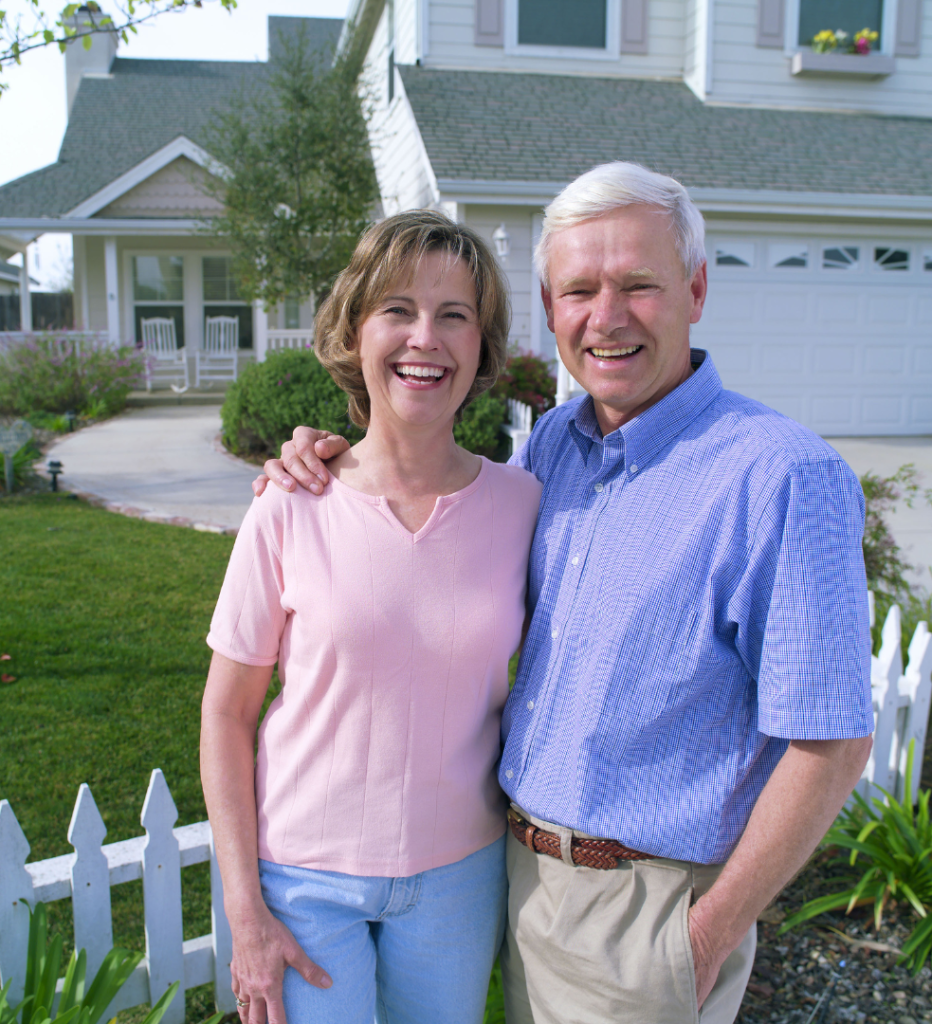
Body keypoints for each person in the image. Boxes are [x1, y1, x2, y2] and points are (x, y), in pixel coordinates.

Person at [254, 162, 875, 1024]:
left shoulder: (780, 477)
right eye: (579, 289)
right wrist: (333, 456)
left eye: (640, 285)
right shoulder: (555, 450)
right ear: (550, 311)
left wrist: (708, 934)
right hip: (510, 880)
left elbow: (832, 740)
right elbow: (436, 527)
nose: (607, 318)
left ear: (695, 288)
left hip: (646, 912)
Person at [201, 209, 542, 1024]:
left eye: (453, 315)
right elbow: (225, 716)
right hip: (302, 882)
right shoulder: (290, 504)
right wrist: (245, 911)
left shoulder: (524, 505)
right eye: (397, 309)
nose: (426, 337)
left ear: (480, 347)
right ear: (355, 332)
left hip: (460, 877)